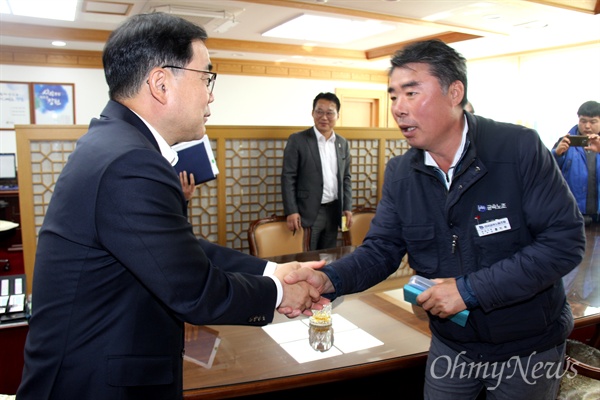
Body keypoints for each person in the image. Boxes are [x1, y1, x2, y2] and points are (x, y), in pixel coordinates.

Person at [17, 13, 325, 400]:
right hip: (95, 384)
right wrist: (279, 292)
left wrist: (272, 268)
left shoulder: (116, 145)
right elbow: (193, 290)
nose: (211, 95)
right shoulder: (130, 162)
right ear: (161, 83)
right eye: (206, 77)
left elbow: (179, 254)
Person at [286, 39, 586, 399]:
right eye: (393, 96)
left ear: (454, 92)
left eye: (411, 93)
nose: (398, 108)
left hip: (527, 345)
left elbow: (563, 244)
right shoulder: (400, 172)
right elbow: (381, 250)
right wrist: (326, 279)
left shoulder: (518, 148)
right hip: (451, 344)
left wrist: (468, 290)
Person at [281, 92, 353, 250]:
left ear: (337, 115)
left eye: (329, 112)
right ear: (312, 113)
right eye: (319, 111)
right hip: (308, 211)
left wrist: (347, 207)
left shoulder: (342, 143)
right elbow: (288, 177)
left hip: (334, 211)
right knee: (307, 256)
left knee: (328, 257)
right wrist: (291, 211)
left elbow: (346, 178)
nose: (324, 117)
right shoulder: (298, 140)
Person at [551, 100, 600, 225]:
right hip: (572, 214)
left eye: (593, 121)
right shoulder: (565, 142)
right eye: (583, 121)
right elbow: (546, 172)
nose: (587, 126)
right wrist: (557, 154)